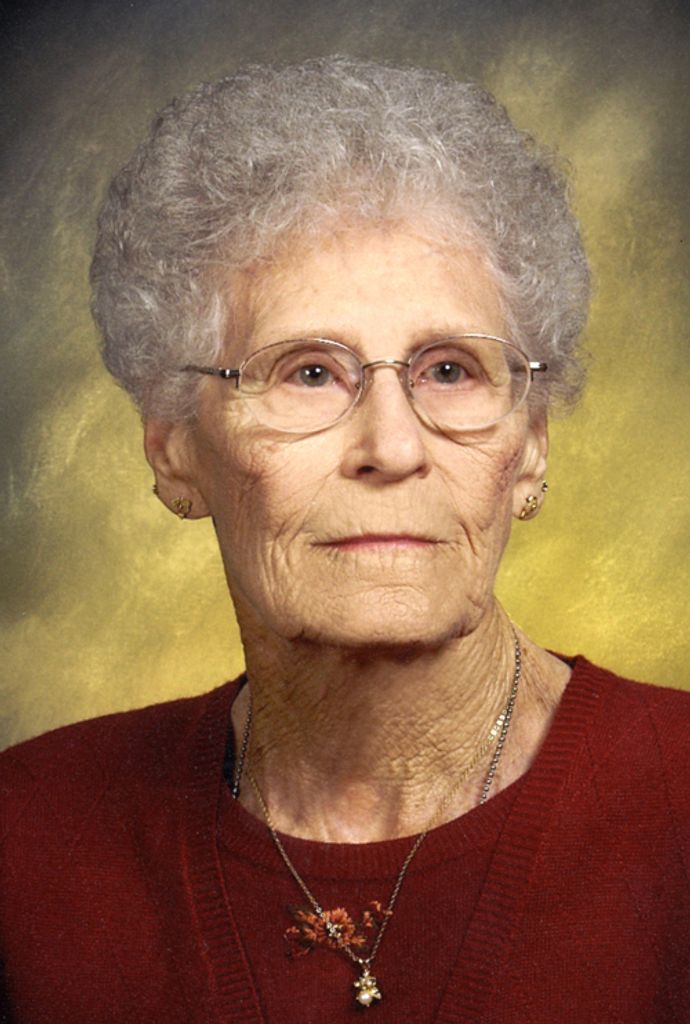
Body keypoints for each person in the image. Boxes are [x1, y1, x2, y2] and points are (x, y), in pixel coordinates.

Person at [0, 55, 688, 1024]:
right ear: (174, 447)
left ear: (531, 443)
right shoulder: (28, 840)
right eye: (308, 373)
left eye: (450, 369)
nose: (392, 448)